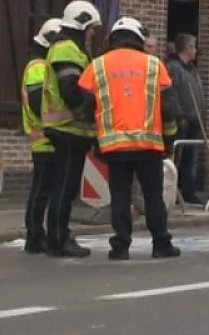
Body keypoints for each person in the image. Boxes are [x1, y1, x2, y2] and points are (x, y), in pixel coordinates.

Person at [78, 17, 181, 260]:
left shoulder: (98, 65)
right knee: (153, 195)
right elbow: (168, 108)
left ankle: (121, 246)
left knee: (120, 197)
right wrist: (169, 141)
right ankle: (161, 243)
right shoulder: (155, 65)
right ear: (138, 38)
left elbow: (85, 109)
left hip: (114, 145)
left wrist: (94, 142)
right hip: (149, 144)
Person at [42, 0, 102, 258]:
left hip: (70, 130)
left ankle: (57, 236)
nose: (92, 34)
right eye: (90, 28)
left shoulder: (71, 48)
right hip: (67, 128)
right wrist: (89, 107)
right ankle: (59, 238)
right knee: (64, 188)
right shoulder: (67, 49)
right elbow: (71, 91)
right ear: (81, 23)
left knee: (64, 188)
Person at [22, 17, 63, 254]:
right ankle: (35, 235)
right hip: (45, 139)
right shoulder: (39, 67)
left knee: (43, 188)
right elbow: (39, 103)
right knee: (42, 190)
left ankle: (36, 234)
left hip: (46, 138)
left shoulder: (40, 65)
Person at [165, 33, 207, 205]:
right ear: (188, 48)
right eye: (194, 47)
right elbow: (172, 93)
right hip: (183, 121)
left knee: (191, 158)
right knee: (179, 157)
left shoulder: (191, 68)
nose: (196, 50)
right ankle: (173, 192)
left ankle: (188, 190)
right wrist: (180, 115)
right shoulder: (174, 67)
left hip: (194, 121)